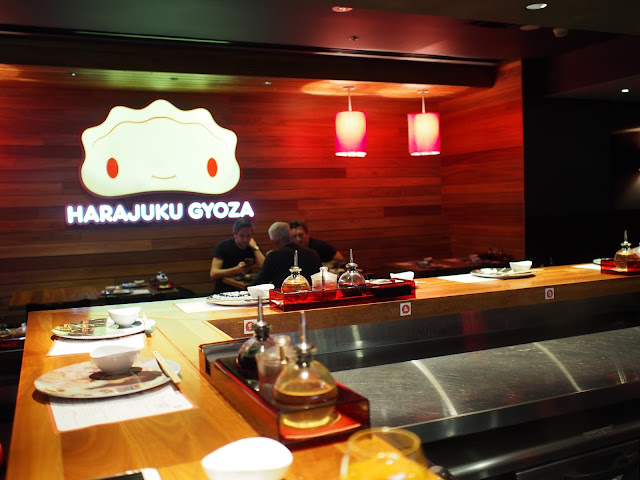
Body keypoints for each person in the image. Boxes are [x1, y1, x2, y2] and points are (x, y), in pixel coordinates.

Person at [252, 222, 321, 288]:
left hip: (282, 295)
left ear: (273, 241)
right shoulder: (312, 254)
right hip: (310, 295)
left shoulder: (273, 256)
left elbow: (257, 284)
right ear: (291, 236)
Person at [210, 218, 265, 292]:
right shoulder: (223, 246)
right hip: (225, 290)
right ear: (234, 234)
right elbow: (213, 273)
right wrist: (236, 270)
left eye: (248, 235)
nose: (245, 239)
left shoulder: (253, 246)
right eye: (242, 236)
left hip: (246, 290)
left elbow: (264, 267)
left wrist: (255, 248)